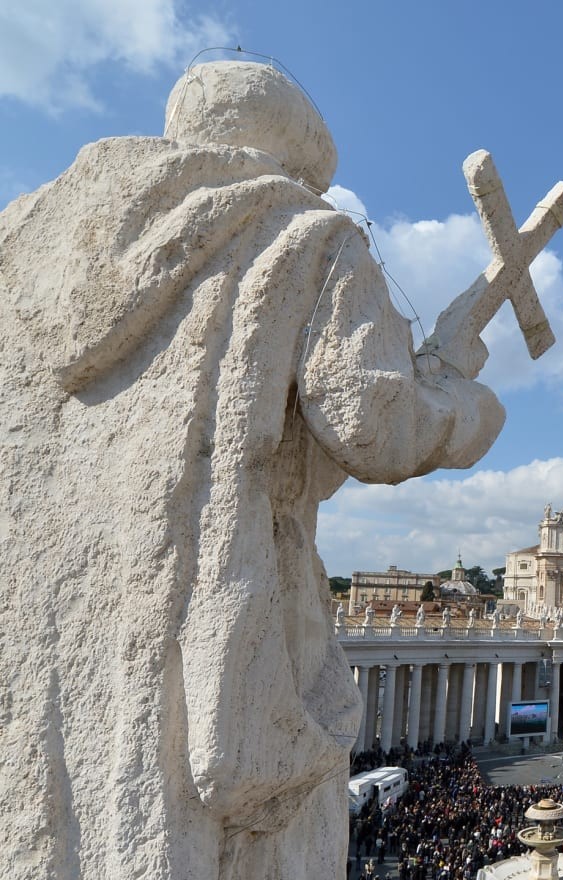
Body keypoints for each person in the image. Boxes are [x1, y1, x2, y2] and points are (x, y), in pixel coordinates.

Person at [0, 61, 507, 879]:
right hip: (199, 620)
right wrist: (461, 396)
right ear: (301, 166)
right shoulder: (303, 233)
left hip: (42, 629)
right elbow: (375, 427)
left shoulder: (25, 243)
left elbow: (274, 446)